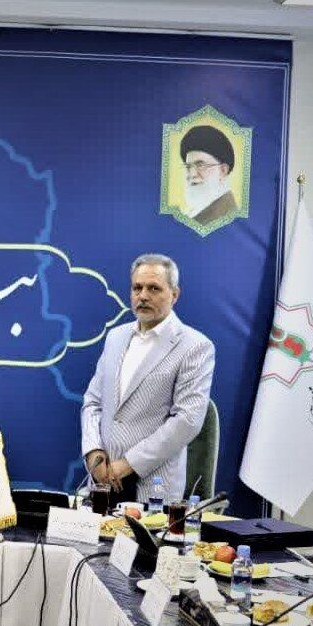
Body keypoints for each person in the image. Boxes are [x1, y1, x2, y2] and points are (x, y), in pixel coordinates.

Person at [80, 253, 214, 504]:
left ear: (174, 294)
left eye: (154, 288)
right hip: (102, 483)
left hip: (152, 489)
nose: (143, 296)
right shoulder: (115, 337)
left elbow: (187, 420)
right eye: (137, 288)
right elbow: (93, 402)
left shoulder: (195, 346)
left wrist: (128, 464)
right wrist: (93, 452)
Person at [179, 125, 238, 225]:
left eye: (200, 165)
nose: (192, 174)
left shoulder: (226, 216)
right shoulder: (195, 212)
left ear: (223, 171)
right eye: (188, 167)